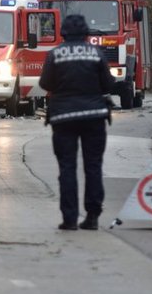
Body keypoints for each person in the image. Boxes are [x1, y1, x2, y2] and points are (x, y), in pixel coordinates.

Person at [39, 14, 115, 231]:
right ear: (86, 33)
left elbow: (45, 83)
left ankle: (70, 219)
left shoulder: (55, 54)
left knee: (67, 168)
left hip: (63, 118)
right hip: (94, 117)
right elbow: (108, 84)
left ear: (63, 33)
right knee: (93, 166)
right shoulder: (95, 53)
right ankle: (92, 216)